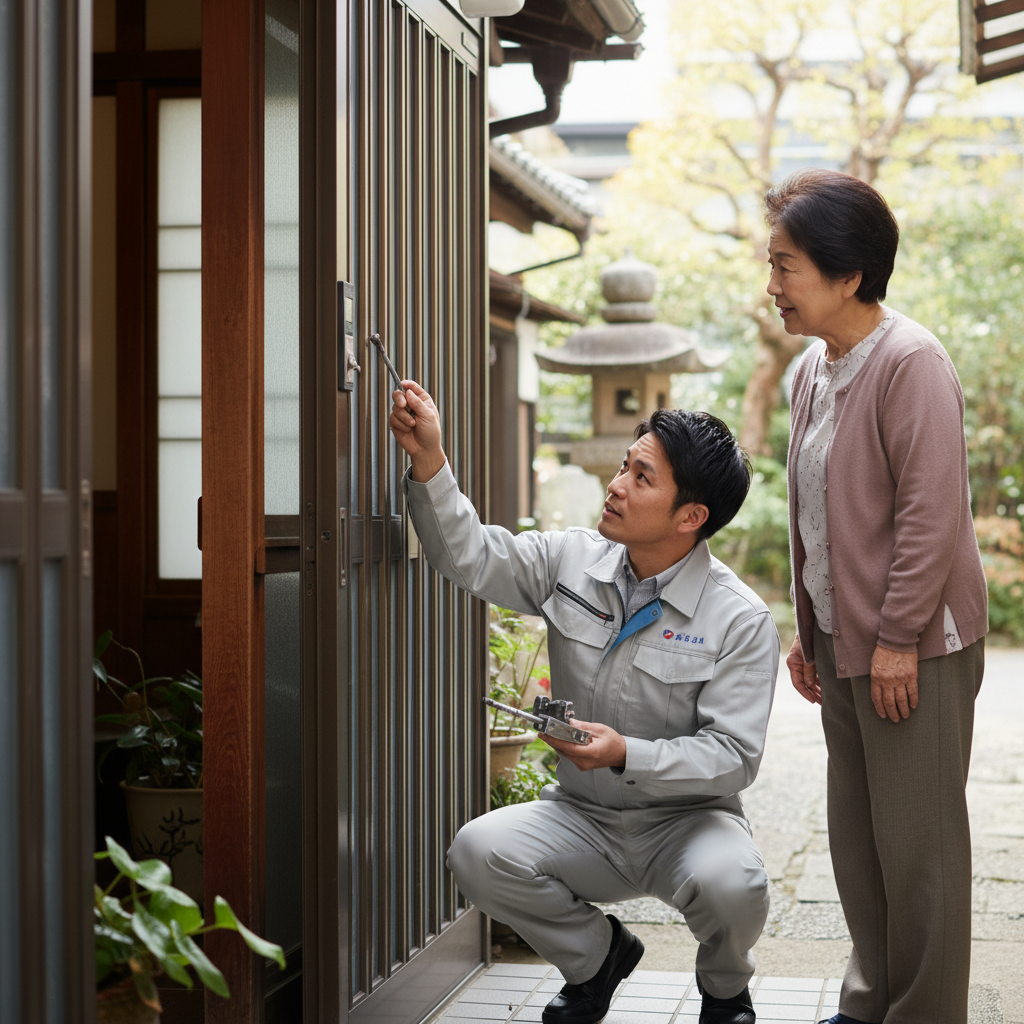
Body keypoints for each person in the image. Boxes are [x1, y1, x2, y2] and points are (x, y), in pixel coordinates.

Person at [389, 383, 780, 1024]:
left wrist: (626, 752)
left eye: (642, 476)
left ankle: (725, 991)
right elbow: (472, 556)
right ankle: (597, 960)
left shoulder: (738, 619)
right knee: (476, 851)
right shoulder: (572, 559)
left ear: (691, 516)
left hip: (686, 824)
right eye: (625, 465)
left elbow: (734, 758)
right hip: (582, 818)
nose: (618, 484)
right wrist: (429, 459)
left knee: (734, 884)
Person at [771, 169, 988, 1024]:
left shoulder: (912, 363)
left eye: (787, 265)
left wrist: (897, 638)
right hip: (848, 644)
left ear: (848, 274)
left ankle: (925, 1013)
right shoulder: (813, 371)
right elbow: (816, 512)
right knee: (861, 846)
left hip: (915, 651)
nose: (773, 284)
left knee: (920, 850)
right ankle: (871, 1003)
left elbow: (932, 514)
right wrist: (811, 628)